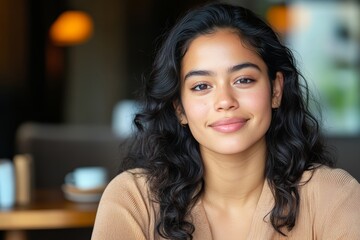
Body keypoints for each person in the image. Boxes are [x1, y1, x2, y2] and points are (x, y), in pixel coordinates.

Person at [91, 2, 360, 240]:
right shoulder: (134, 200)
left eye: (243, 80)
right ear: (179, 108)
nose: (225, 100)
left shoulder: (333, 196)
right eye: (201, 86)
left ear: (276, 90)